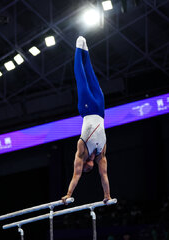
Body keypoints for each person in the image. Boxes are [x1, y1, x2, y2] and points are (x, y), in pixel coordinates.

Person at [62, 36, 111, 204]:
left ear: (83, 165)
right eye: (90, 169)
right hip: (100, 109)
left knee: (81, 78)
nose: (88, 168)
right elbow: (103, 175)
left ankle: (78, 49)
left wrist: (69, 194)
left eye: (86, 169)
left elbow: (76, 175)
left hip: (87, 110)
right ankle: (86, 52)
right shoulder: (101, 155)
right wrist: (107, 196)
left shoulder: (81, 153)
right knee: (91, 76)